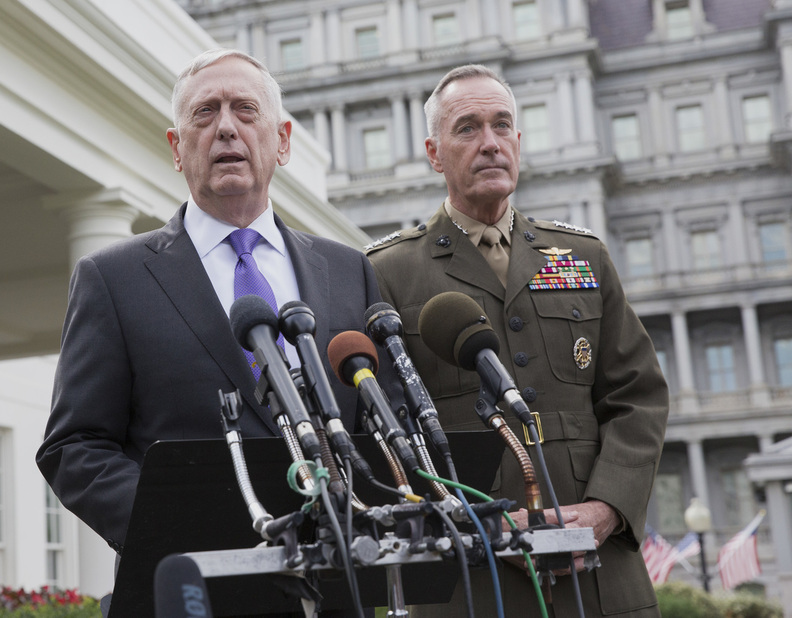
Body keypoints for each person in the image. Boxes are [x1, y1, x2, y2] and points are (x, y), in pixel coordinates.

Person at [36, 49, 391, 615]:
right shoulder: (113, 278)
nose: (226, 126)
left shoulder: (348, 269)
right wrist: (177, 524)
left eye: (245, 110)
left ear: (282, 140)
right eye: (204, 113)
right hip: (187, 591)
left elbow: (380, 418)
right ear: (178, 149)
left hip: (336, 588)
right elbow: (74, 447)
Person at [367, 64, 669, 617]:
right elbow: (385, 432)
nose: (490, 144)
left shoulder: (581, 257)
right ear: (435, 154)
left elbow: (637, 396)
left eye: (502, 126)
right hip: (470, 577)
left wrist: (607, 507)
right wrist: (472, 520)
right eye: (468, 128)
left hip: (596, 572)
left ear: (518, 143)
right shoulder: (388, 273)